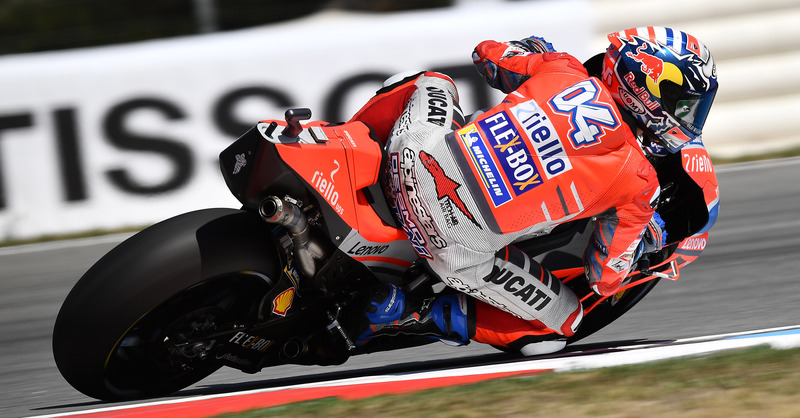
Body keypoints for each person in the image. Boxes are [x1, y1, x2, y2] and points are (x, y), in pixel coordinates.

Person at [346, 26, 718, 355]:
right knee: (562, 325)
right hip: (451, 246)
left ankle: (347, 145)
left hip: (411, 159)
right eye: (684, 105)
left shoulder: (562, 68)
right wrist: (646, 241)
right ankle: (410, 311)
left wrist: (530, 50)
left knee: (430, 81)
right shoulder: (640, 181)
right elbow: (605, 280)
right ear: (648, 91)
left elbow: (486, 54)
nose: (688, 119)